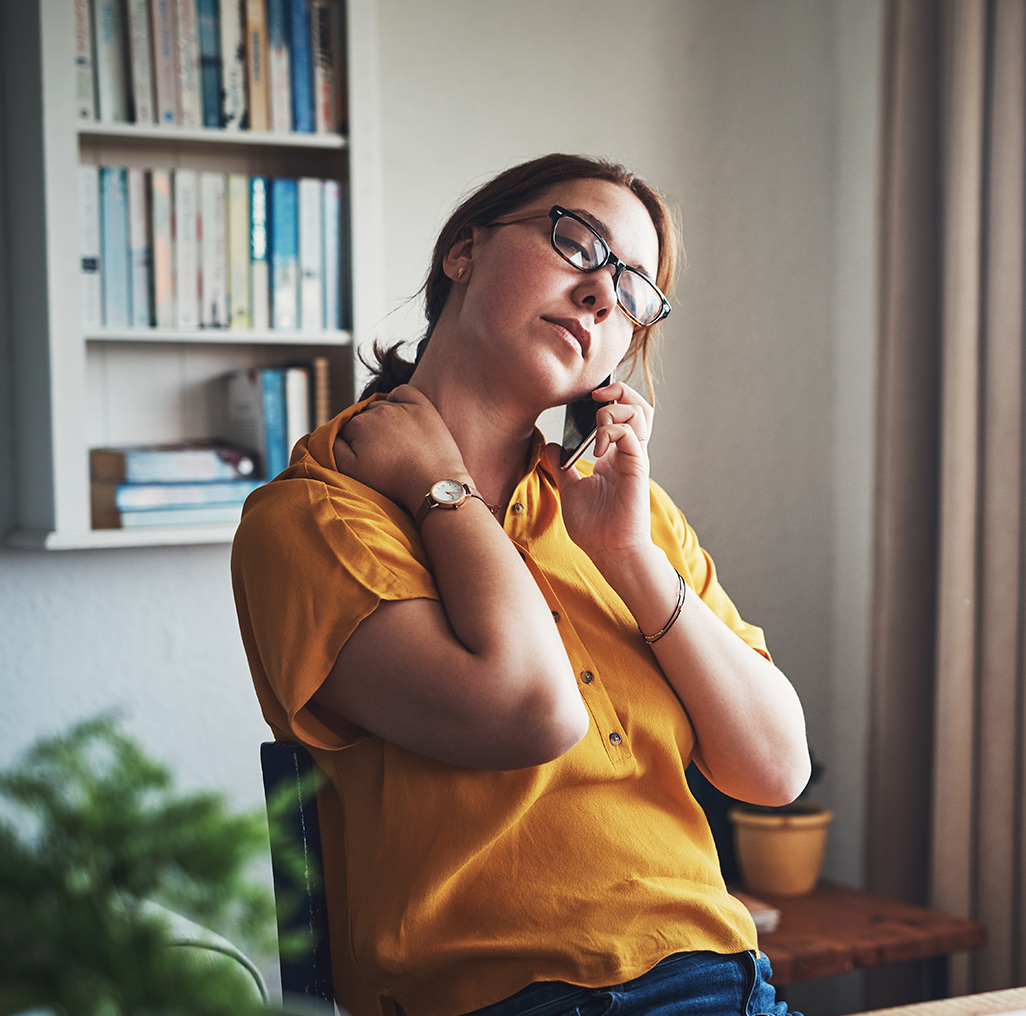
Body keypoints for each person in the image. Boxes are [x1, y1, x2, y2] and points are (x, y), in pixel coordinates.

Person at [231, 154, 811, 1016]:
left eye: (635, 290)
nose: (603, 295)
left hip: (726, 981)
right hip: (508, 999)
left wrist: (627, 556)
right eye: (578, 243)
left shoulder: (627, 513)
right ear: (461, 252)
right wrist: (441, 490)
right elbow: (532, 710)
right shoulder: (315, 516)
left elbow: (774, 769)